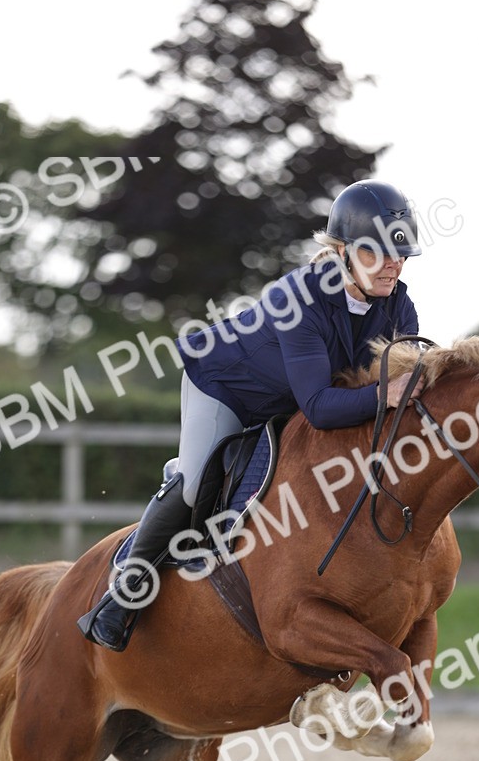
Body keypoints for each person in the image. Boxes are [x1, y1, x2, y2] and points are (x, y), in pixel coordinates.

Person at [78, 178, 422, 651]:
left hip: (286, 404)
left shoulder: (399, 305)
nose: (393, 266)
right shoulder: (299, 298)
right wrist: (387, 394)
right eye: (377, 254)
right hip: (225, 390)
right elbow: (323, 407)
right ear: (341, 251)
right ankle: (122, 596)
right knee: (197, 484)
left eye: (400, 255)